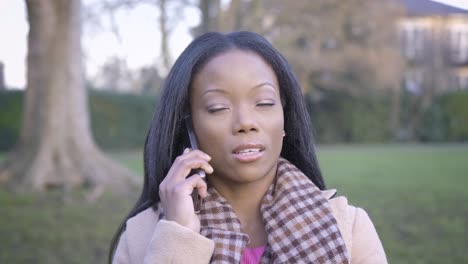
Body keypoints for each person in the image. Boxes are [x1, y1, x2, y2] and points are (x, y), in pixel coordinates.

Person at [109, 31, 387, 264]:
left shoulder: (348, 227)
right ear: (189, 126)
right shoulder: (141, 236)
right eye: (218, 108)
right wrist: (178, 237)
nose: (245, 123)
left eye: (264, 103)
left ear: (284, 119)